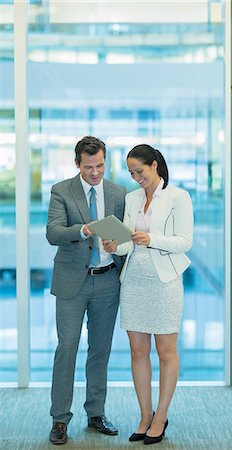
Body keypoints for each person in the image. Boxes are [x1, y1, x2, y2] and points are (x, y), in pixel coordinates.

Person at [103, 144, 193, 446]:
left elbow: (184, 242)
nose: (135, 177)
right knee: (137, 352)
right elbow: (129, 241)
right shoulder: (132, 198)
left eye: (139, 171)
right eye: (131, 173)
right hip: (134, 280)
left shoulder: (178, 197)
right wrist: (117, 246)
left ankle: (161, 415)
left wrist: (152, 238)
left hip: (165, 281)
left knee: (166, 352)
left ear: (154, 165)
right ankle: (145, 415)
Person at [46, 136, 126, 445]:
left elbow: (124, 236)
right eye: (89, 166)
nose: (95, 172)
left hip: (107, 281)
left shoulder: (118, 193)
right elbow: (53, 232)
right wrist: (84, 229)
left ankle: (96, 413)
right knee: (67, 348)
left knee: (100, 350)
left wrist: (116, 243)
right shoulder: (61, 191)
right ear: (77, 163)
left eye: (101, 165)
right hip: (71, 281)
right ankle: (59, 419)